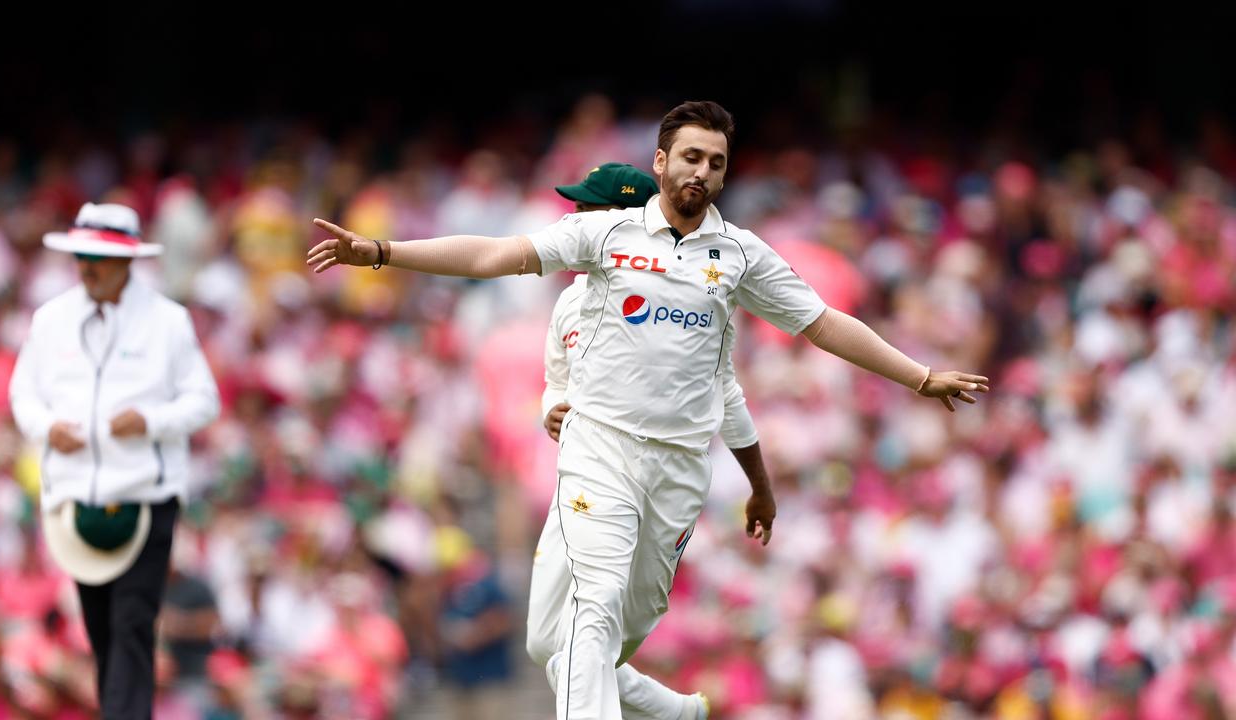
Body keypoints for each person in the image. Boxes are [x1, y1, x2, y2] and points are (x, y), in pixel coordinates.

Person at [308, 100, 988, 720]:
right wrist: (380, 252)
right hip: (600, 451)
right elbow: (495, 255)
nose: (702, 171)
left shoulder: (739, 255)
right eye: (690, 156)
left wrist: (920, 375)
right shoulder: (606, 234)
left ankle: (673, 712)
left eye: (716, 163)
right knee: (590, 613)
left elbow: (822, 324)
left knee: (571, 642)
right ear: (661, 162)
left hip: (678, 473)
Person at [533, 161, 774, 718]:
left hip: (661, 476)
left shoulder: (687, 294)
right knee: (549, 645)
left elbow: (726, 393)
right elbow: (556, 380)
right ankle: (674, 710)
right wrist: (552, 409)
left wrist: (759, 484)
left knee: (598, 635)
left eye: (587, 212)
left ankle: (668, 710)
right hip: (589, 470)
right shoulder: (570, 300)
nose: (575, 222)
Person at [9, 202, 220, 719]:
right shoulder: (51, 319)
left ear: (128, 262)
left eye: (98, 258)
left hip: (145, 494)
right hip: (76, 496)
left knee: (131, 621)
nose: (87, 267)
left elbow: (203, 401)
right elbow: (23, 394)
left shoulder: (168, 322)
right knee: (101, 627)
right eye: (82, 256)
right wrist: (47, 429)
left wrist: (149, 421)